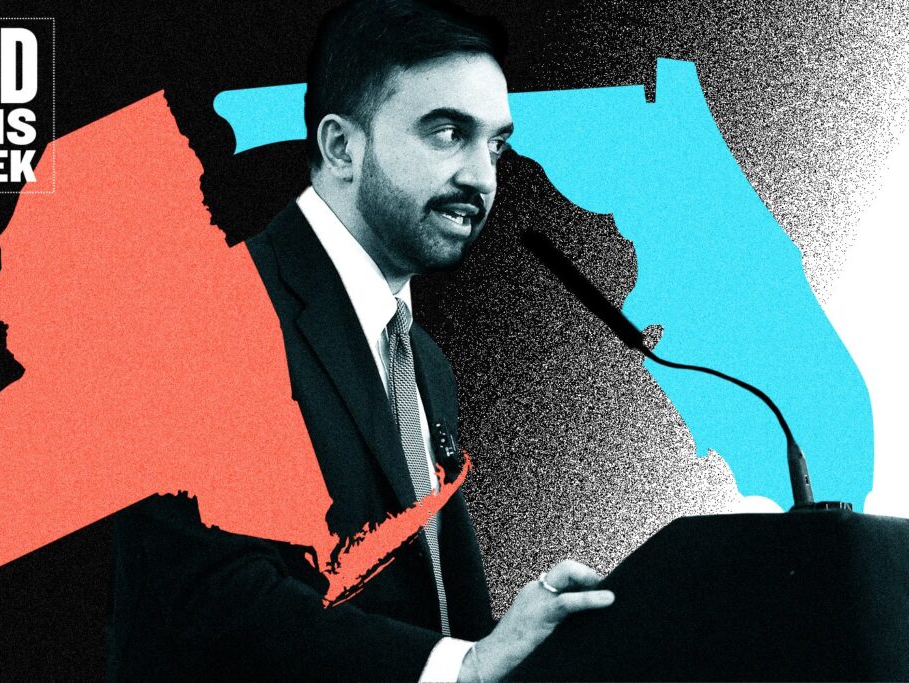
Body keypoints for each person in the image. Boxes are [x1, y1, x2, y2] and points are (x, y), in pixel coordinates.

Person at [110, 1, 614, 680]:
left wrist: (517, 646)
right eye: (448, 133)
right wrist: (460, 667)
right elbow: (214, 603)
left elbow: (422, 614)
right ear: (341, 147)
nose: (482, 176)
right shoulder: (207, 314)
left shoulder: (422, 360)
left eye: (495, 144)